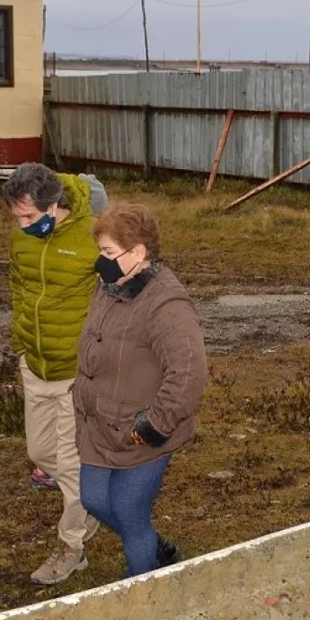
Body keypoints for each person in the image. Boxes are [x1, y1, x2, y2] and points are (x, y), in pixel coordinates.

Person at [73, 204, 208, 576]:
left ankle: (144, 589)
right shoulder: (111, 285)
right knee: (94, 499)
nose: (101, 263)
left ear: (138, 253)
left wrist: (152, 425)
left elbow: (188, 373)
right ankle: (153, 542)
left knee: (129, 511)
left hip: (141, 434)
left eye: (108, 253)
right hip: (101, 425)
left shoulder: (167, 304)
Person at [3, 163, 108, 585]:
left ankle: (72, 546)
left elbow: (118, 297)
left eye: (30, 217)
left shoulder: (93, 238)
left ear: (55, 204)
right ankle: (96, 500)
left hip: (76, 371)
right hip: (36, 364)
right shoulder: (22, 240)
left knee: (69, 463)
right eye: (17, 218)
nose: (23, 225)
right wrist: (23, 345)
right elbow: (19, 287)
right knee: (41, 454)